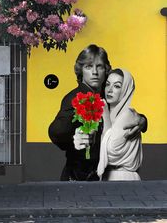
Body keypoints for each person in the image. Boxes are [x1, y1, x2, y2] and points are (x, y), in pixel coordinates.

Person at [48, 44, 147, 181]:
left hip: (107, 174)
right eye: (89, 66)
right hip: (79, 175)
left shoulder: (107, 94)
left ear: (105, 70)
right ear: (81, 70)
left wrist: (142, 120)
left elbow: (123, 112)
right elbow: (56, 132)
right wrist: (74, 138)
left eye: (99, 66)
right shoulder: (74, 98)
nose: (95, 72)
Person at [97, 69, 143, 181]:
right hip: (111, 177)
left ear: (126, 90)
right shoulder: (114, 113)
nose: (110, 90)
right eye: (108, 84)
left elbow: (110, 151)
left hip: (122, 177)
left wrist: (106, 116)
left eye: (117, 86)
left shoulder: (127, 114)